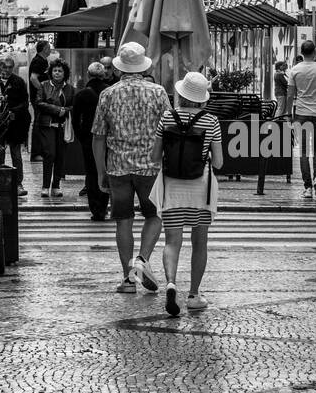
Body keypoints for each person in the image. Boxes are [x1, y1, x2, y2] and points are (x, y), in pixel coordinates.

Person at [91, 41, 168, 293]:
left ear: (119, 67)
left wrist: (101, 171)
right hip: (151, 165)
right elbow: (168, 130)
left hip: (118, 166)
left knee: (123, 220)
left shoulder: (108, 94)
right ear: (143, 66)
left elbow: (98, 137)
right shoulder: (157, 92)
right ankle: (142, 260)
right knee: (154, 216)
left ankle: (127, 279)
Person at [151, 71, 224, 316]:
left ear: (181, 94)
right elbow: (220, 163)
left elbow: (154, 156)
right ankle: (194, 294)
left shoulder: (167, 117)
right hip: (200, 189)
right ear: (202, 97)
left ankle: (171, 282)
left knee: (172, 241)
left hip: (171, 186)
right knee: (199, 241)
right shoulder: (211, 121)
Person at [286, 39, 316, 198]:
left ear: (301, 52)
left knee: (304, 152)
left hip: (301, 114)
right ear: (314, 52)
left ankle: (307, 187)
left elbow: (290, 94)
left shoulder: (294, 70)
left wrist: (288, 114)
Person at [72, 62, 111, 220]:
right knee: (105, 169)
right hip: (108, 137)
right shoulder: (108, 92)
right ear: (103, 75)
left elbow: (75, 120)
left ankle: (95, 208)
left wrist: (82, 137)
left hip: (89, 138)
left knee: (91, 171)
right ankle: (103, 205)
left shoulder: (81, 94)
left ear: (88, 75)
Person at [35, 58, 74, 199]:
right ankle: (45, 186)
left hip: (63, 127)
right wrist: (58, 110)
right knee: (49, 154)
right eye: (55, 70)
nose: (57, 73)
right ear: (51, 72)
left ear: (65, 73)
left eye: (60, 71)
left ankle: (56, 186)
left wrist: (66, 110)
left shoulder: (70, 89)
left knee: (60, 156)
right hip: (47, 125)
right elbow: (39, 103)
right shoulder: (43, 85)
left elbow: (73, 106)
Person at [0, 52, 30, 195]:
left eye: (10, 67)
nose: (7, 70)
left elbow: (24, 102)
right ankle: (1, 182)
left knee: (16, 155)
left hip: (15, 123)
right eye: (4, 66)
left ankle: (18, 184)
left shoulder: (18, 81)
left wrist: (13, 111)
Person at [28, 41, 51, 162]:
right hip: (38, 98)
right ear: (44, 49)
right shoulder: (39, 61)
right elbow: (33, 78)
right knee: (38, 123)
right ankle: (36, 153)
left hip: (39, 97)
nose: (50, 49)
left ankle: (40, 151)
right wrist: (43, 92)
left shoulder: (42, 60)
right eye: (49, 47)